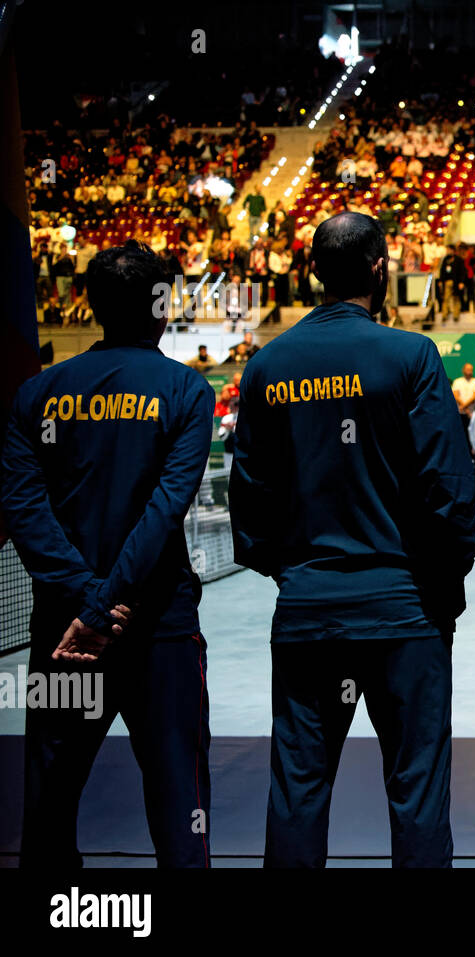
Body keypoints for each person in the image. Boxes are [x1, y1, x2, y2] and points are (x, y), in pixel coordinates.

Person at [229, 212, 475, 868]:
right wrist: (443, 590)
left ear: (313, 271)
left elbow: (248, 504)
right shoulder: (410, 356)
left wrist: (294, 571)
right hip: (405, 612)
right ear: (379, 268)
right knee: (417, 792)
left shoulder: (268, 364)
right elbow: (449, 491)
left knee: (297, 791)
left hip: (310, 611)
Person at [1, 240, 215, 868]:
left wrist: (86, 603)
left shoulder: (37, 395)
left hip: (64, 633)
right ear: (161, 304)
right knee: (181, 807)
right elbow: (163, 511)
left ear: (91, 306)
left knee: (48, 804)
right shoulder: (185, 390)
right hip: (157, 633)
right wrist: (108, 605)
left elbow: (25, 512)